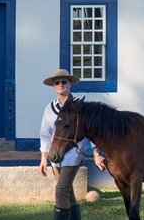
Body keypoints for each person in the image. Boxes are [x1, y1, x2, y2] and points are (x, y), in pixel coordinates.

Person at [37, 69, 105, 220]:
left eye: (64, 82)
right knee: (68, 193)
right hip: (55, 156)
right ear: (54, 86)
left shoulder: (79, 106)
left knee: (61, 190)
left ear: (70, 84)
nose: (60, 84)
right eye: (57, 82)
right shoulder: (49, 108)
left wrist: (96, 154)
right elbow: (45, 134)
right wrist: (43, 158)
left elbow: (91, 131)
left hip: (73, 155)